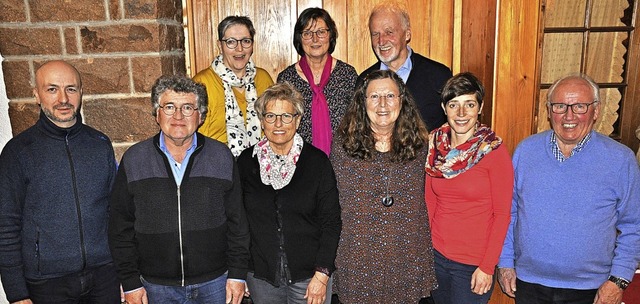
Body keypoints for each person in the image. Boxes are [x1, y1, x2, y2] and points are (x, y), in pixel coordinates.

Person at [497, 74, 640, 304]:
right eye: (560, 106)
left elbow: (634, 226)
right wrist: (505, 263)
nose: (569, 116)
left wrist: (619, 280)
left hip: (592, 290)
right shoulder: (525, 152)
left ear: (595, 111)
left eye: (579, 106)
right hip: (529, 284)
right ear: (548, 110)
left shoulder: (620, 160)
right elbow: (508, 213)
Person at [108, 75, 250, 304]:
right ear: (157, 114)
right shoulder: (134, 159)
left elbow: (238, 223)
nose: (178, 116)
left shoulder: (221, 156)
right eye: (169, 107)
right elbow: (120, 227)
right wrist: (130, 281)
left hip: (215, 282)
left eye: (187, 107)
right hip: (156, 286)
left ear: (200, 115)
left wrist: (237, 274)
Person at [0, 60, 119, 303]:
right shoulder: (18, 152)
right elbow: (6, 225)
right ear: (37, 95)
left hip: (104, 276)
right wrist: (17, 293)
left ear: (81, 93)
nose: (63, 98)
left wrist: (124, 275)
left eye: (71, 89)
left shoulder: (100, 144)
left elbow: (116, 213)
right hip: (48, 284)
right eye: (52, 89)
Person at [331, 70, 436, 303]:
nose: (382, 104)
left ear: (402, 101)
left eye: (390, 96)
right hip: (358, 253)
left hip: (405, 254)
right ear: (362, 102)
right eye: (374, 97)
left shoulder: (420, 144)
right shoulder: (343, 145)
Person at [237, 82, 341, 304]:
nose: (278, 124)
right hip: (261, 276)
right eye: (270, 116)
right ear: (262, 120)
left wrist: (322, 275)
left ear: (298, 119)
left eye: (286, 116)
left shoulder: (317, 162)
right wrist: (239, 272)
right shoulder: (245, 163)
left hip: (310, 277)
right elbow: (237, 221)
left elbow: (331, 222)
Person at [425, 72, 514, 303]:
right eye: (454, 105)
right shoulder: (434, 145)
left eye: (469, 104)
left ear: (480, 107)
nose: (461, 114)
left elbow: (503, 214)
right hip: (436, 257)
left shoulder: (493, 150)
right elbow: (430, 202)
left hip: (473, 265)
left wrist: (487, 266)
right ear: (444, 108)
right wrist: (425, 252)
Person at [357, 1, 452, 131]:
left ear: (407, 34)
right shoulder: (364, 80)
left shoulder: (439, 76)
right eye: (375, 34)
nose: (381, 41)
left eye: (389, 32)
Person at [277, 7, 357, 155]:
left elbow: (359, 122)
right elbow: (281, 125)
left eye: (321, 32)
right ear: (299, 38)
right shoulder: (287, 79)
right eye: (307, 33)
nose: (315, 39)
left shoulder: (347, 74)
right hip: (300, 163)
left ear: (330, 35)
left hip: (344, 160)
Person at [193, 15, 274, 157]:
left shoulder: (263, 78)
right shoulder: (202, 82)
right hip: (216, 164)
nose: (239, 49)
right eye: (231, 42)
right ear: (220, 45)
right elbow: (194, 138)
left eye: (246, 41)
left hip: (260, 164)